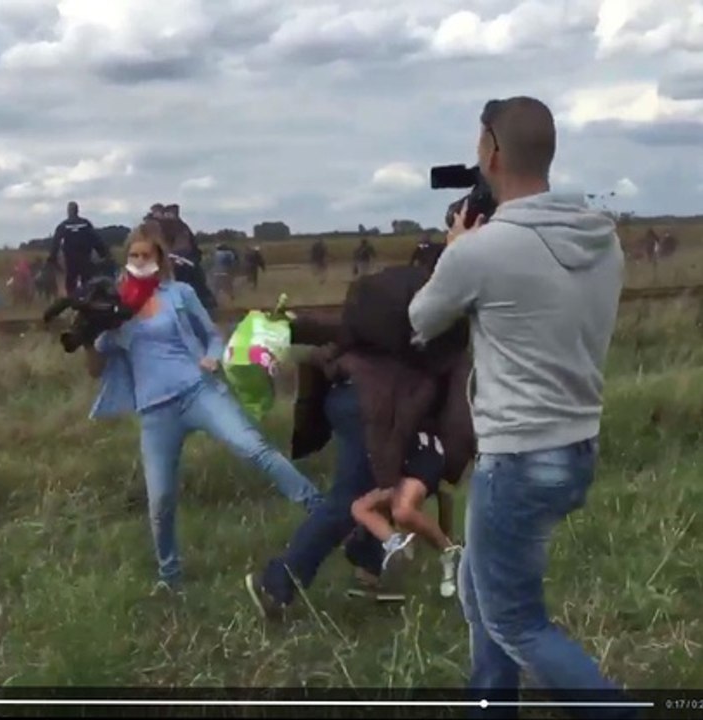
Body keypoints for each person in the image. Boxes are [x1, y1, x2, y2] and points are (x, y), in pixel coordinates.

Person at [407, 96, 631, 715]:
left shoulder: (482, 251)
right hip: (576, 445)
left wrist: (455, 249)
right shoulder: (602, 241)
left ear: (492, 153)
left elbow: (421, 319)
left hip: (519, 456)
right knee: (482, 597)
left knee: (517, 623)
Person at [84, 220, 324, 594]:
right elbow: (96, 366)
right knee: (160, 498)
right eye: (133, 255)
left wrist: (213, 357)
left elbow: (212, 335)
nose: (140, 261)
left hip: (198, 391)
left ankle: (321, 511)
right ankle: (170, 577)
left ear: (160, 259)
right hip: (155, 411)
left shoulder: (179, 293)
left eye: (147, 255)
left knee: (254, 448)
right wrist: (90, 331)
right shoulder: (116, 307)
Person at [245, 250, 474, 618]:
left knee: (378, 485)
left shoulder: (390, 301)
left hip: (344, 394)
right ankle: (277, 584)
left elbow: (340, 326)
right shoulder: (448, 329)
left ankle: (369, 569)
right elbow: (459, 418)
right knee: (349, 499)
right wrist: (448, 465)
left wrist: (294, 324)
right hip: (373, 410)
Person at [350, 431, 462, 598]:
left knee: (403, 511)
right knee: (359, 508)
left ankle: (449, 552)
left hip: (422, 454)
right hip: (396, 458)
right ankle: (396, 543)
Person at [47, 201, 110, 296]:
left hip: (71, 259)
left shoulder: (64, 225)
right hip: (85, 258)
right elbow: (96, 239)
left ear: (68, 211)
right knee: (88, 282)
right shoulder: (86, 224)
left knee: (70, 283)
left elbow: (56, 242)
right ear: (78, 211)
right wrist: (103, 253)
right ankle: (87, 302)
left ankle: (73, 303)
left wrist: (52, 258)